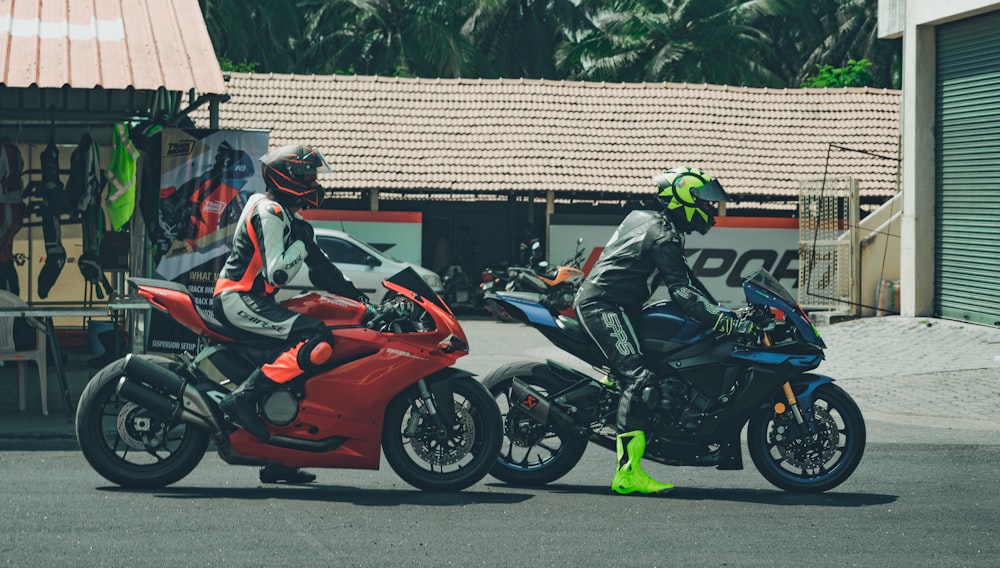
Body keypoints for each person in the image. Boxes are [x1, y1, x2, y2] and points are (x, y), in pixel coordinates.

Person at [573, 166, 760, 496]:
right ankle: (627, 474)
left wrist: (724, 312)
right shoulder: (664, 236)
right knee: (640, 379)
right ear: (685, 200)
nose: (711, 211)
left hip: (621, 306)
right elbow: (684, 296)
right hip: (603, 306)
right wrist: (727, 323)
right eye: (704, 203)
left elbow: (687, 281)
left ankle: (614, 406)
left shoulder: (653, 222)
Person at [214, 144, 369, 484]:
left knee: (302, 366)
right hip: (238, 298)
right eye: (309, 177)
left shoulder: (288, 216)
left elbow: (323, 271)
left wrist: (361, 302)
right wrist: (300, 242)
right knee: (316, 336)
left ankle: (281, 458)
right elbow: (278, 274)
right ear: (290, 179)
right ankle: (242, 401)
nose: (315, 184)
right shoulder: (268, 211)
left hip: (252, 300)